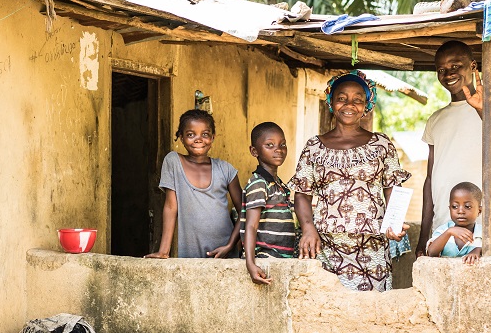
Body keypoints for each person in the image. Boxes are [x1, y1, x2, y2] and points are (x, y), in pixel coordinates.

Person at [289, 70, 411, 291]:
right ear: (331, 102)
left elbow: (393, 187)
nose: (349, 104)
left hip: (372, 245)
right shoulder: (314, 147)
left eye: (358, 100)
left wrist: (395, 222)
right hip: (326, 244)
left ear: (366, 106)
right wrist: (308, 228)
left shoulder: (382, 145)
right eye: (342, 98)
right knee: (330, 307)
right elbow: (302, 193)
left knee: (372, 310)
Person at [415, 40, 491, 258]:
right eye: (441, 70)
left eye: (455, 66)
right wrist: (423, 235)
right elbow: (430, 180)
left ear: (473, 66)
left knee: (485, 285)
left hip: (485, 224)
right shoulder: (436, 119)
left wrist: (484, 110)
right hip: (444, 225)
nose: (448, 73)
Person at [145, 109, 243, 259]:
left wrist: (230, 245)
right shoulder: (173, 162)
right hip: (191, 254)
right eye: (191, 134)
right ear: (181, 138)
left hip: (225, 253)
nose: (198, 139)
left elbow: (245, 211)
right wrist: (164, 251)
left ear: (212, 137)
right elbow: (171, 207)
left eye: (205, 134)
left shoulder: (226, 169)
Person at [239, 122, 298, 285]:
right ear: (254, 151)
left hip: (279, 261)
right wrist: (251, 264)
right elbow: (250, 226)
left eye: (282, 144)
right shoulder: (259, 184)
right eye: (269, 145)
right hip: (265, 261)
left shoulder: (278, 184)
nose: (278, 149)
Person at [426, 182, 491, 264]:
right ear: (449, 208)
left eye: (467, 206)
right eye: (455, 206)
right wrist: (449, 232)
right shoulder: (443, 230)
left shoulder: (486, 233)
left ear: (479, 211)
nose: (460, 211)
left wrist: (479, 250)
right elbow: (431, 253)